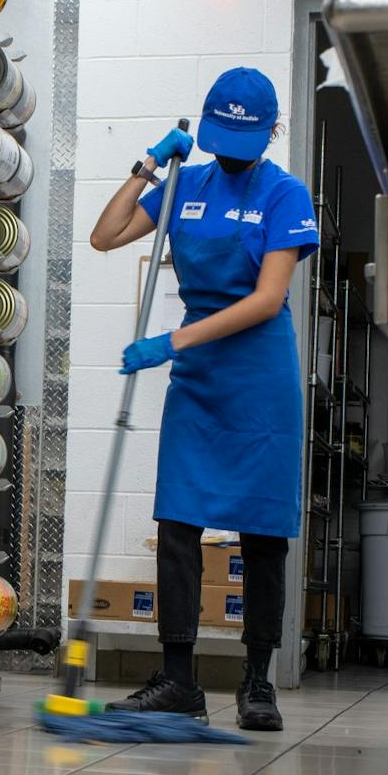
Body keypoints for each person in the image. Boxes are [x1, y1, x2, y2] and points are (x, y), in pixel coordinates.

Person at [88, 68, 318, 732]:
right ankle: (179, 680)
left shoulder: (284, 194)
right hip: (199, 380)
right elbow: (105, 236)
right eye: (221, 137)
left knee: (262, 532)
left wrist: (170, 341)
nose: (231, 151)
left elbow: (267, 299)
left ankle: (257, 682)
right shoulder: (186, 183)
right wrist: (148, 164)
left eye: (244, 139)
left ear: (271, 132)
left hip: (258, 375)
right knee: (180, 524)